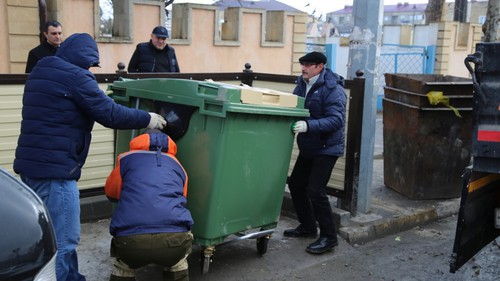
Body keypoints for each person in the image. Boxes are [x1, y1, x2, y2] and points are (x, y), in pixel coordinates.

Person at [13, 33, 166, 281]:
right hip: (57, 173)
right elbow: (109, 114)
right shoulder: (75, 76)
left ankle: (71, 277)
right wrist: (148, 118)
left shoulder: (42, 69)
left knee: (46, 236)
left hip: (31, 168)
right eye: (88, 63)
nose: (89, 69)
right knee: (64, 240)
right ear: (81, 58)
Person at [105, 129, 193, 281]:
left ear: (140, 139)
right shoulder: (177, 165)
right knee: (178, 261)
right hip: (174, 242)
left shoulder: (126, 159)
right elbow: (182, 198)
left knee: (123, 264)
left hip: (130, 243)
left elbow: (111, 192)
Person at [284, 51, 347, 255]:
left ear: (320, 67)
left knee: (315, 190)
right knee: (295, 183)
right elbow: (293, 104)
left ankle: (329, 237)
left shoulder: (333, 89)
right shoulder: (303, 83)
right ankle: (308, 227)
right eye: (302, 64)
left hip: (327, 148)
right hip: (310, 146)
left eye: (308, 65)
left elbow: (336, 120)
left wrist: (308, 126)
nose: (303, 68)